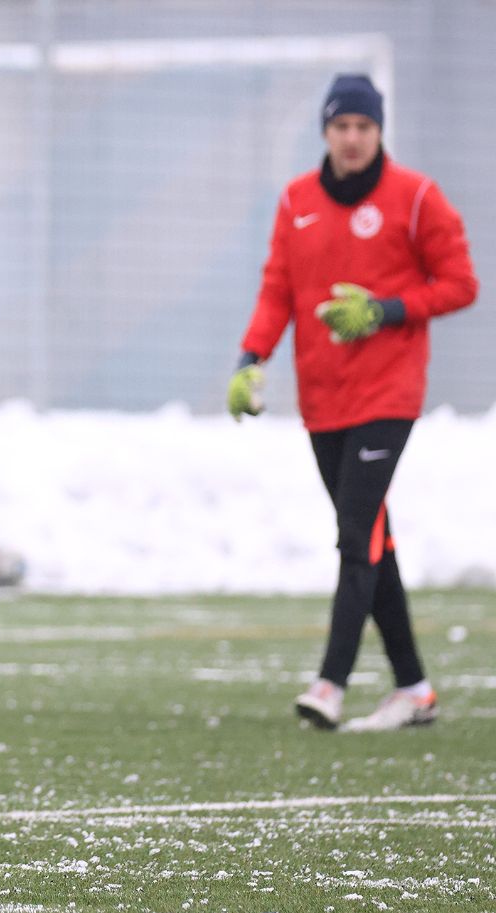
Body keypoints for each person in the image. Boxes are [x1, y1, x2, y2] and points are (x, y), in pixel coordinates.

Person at [226, 73, 478, 732]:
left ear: (379, 131)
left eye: (364, 126)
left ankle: (330, 683)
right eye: (342, 126)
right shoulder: (296, 201)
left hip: (388, 393)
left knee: (355, 532)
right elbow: (277, 290)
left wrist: (385, 310)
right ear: (326, 131)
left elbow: (461, 283)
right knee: (370, 537)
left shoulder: (416, 197)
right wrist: (251, 360)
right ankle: (414, 688)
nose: (353, 138)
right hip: (323, 397)